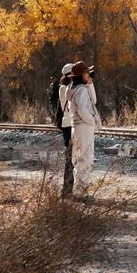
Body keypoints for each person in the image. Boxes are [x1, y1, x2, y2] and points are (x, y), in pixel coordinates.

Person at [66, 60, 102, 200]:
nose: (89, 74)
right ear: (83, 74)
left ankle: (79, 190)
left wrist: (90, 83)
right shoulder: (81, 90)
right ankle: (81, 192)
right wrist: (91, 121)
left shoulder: (74, 88)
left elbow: (93, 100)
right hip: (83, 126)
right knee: (85, 158)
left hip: (77, 127)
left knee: (80, 158)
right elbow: (82, 109)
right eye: (87, 72)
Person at [57, 63, 74, 197]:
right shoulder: (64, 88)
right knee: (70, 157)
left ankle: (69, 188)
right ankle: (67, 189)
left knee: (72, 156)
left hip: (69, 125)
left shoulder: (67, 87)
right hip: (68, 125)